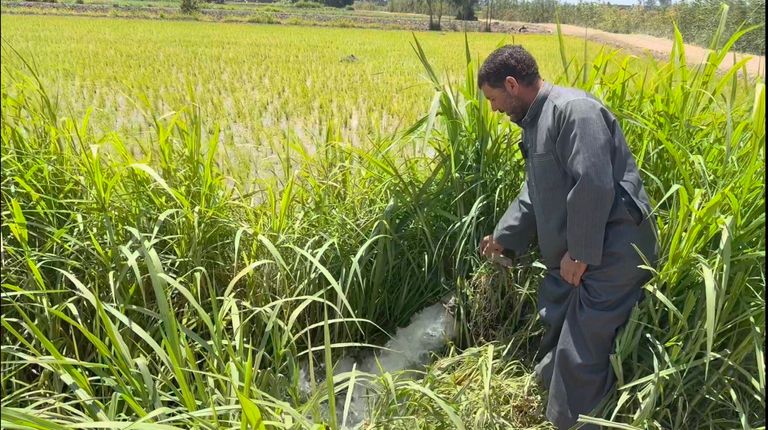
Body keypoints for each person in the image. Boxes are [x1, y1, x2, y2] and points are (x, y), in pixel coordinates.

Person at [476, 45, 658, 429]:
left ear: (512, 84)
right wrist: (504, 238)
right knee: (556, 311)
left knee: (581, 348)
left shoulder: (574, 111)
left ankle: (575, 423)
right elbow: (535, 194)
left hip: (612, 252)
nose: (494, 108)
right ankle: (551, 398)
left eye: (493, 98)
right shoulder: (536, 122)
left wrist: (579, 252)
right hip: (584, 253)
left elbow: (592, 183)